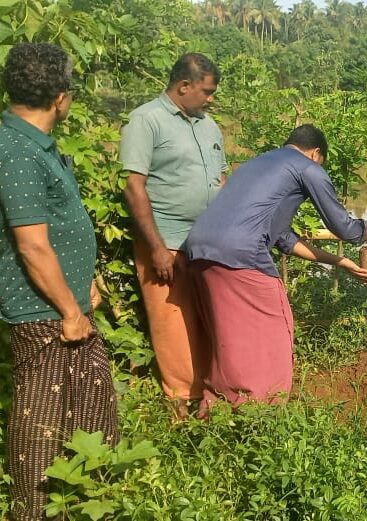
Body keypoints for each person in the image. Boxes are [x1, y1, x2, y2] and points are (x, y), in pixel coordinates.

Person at [185, 125, 367, 410]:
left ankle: (217, 407)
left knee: (228, 337)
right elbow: (346, 229)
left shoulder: (256, 164)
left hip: (200, 250)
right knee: (276, 329)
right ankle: (263, 409)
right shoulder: (307, 167)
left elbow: (285, 239)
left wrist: (342, 262)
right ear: (316, 154)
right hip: (241, 253)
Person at [0, 42, 118, 520]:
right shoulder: (17, 152)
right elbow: (31, 244)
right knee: (41, 430)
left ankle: (86, 507)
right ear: (61, 98)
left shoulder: (34, 146)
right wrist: (69, 310)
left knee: (92, 414)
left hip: (66, 308)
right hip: (44, 315)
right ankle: (32, 513)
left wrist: (82, 285)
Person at [121, 53, 226, 418]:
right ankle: (181, 399)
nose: (211, 98)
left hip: (206, 241)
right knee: (171, 323)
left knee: (207, 316)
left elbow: (220, 180)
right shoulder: (146, 120)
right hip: (165, 241)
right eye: (207, 91)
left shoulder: (209, 126)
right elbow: (135, 187)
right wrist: (156, 248)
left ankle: (211, 391)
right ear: (184, 86)